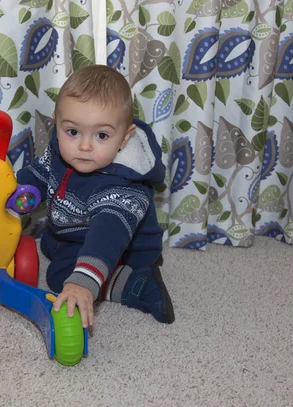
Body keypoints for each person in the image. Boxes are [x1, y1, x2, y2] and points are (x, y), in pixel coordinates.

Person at [16, 64, 175, 328]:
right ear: (56, 122)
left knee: (61, 277)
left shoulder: (123, 183)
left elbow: (107, 234)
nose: (85, 145)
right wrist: (22, 190)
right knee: (48, 245)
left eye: (101, 135)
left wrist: (82, 283)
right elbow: (40, 172)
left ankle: (137, 283)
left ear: (124, 138)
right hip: (71, 232)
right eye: (73, 132)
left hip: (120, 245)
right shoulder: (60, 150)